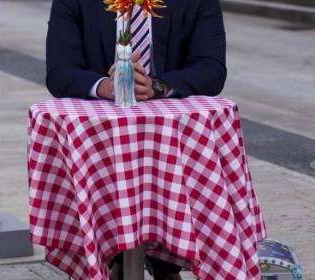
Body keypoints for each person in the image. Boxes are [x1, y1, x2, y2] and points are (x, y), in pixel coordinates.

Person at [45, 0, 227, 279]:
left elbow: (212, 69)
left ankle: (166, 257)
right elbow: (59, 71)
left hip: (173, 140)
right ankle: (114, 253)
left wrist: (155, 86)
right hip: (102, 140)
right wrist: (106, 87)